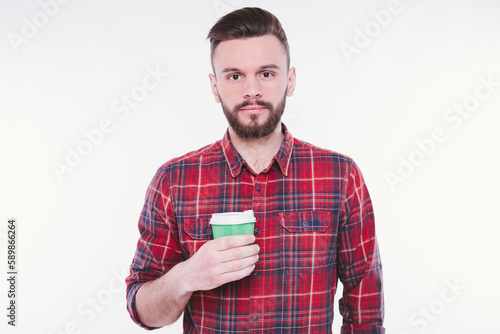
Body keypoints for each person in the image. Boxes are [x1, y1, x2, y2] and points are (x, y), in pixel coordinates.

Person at [126, 7, 384, 333]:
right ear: (214, 86)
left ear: (290, 80)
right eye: (235, 76)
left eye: (266, 73)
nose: (252, 91)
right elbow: (145, 312)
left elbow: (365, 310)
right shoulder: (174, 181)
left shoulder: (341, 177)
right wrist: (187, 276)